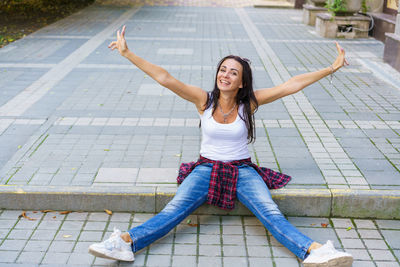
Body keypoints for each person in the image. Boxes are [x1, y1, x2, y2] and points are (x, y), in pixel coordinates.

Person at [88, 25, 353, 267]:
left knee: (271, 213)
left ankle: (315, 251)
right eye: (223, 69)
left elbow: (290, 86)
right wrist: (128, 54)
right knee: (173, 210)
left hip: (243, 171)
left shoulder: (248, 103)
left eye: (233, 72)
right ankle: (124, 243)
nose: (225, 75)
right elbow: (166, 78)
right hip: (205, 169)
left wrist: (332, 67)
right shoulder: (204, 101)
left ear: (242, 82)